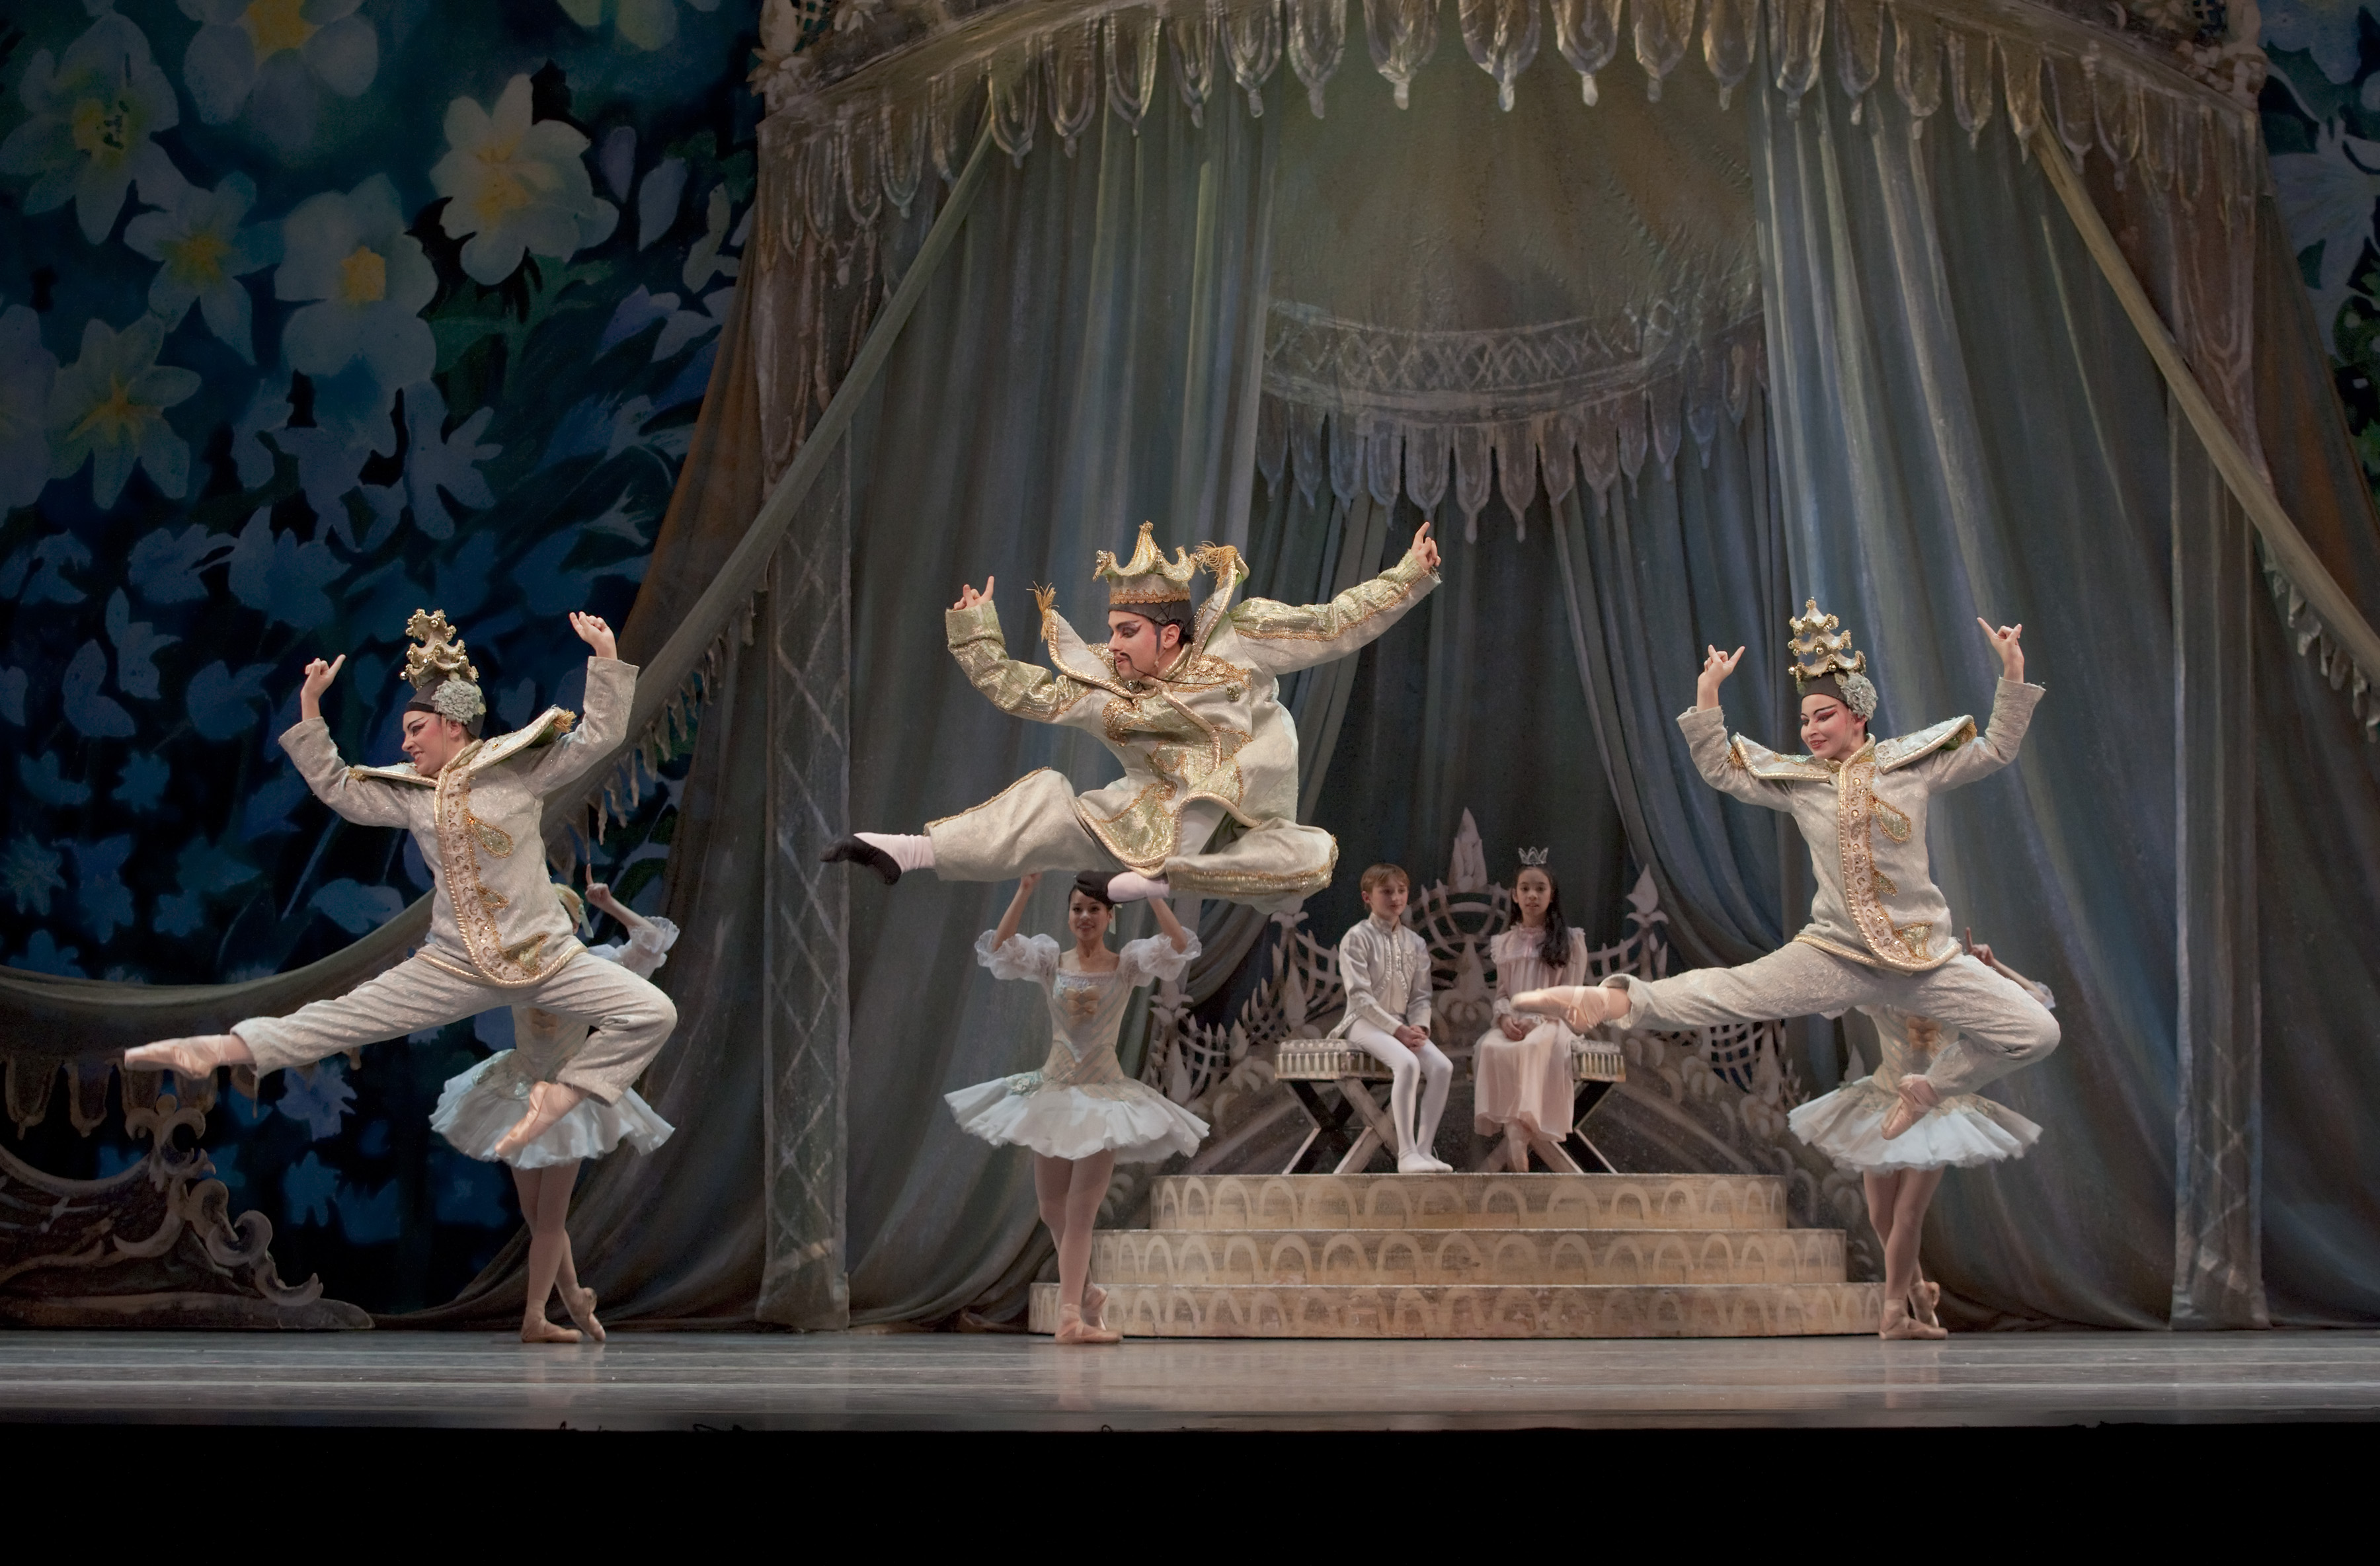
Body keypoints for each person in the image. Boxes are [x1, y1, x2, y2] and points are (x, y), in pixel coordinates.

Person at [1516, 600, 2059, 1331]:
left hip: (1925, 958)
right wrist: (1709, 696)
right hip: (1835, 950)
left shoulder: (1910, 763)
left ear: (1858, 714)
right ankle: (1609, 1000)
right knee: (1733, 992)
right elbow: (1720, 767)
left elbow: (1994, 747)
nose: (1810, 729)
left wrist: (2014, 673)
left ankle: (1930, 1090)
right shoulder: (1801, 780)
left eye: (1824, 715)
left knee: (2036, 1029)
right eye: (1805, 719)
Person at [126, 609, 676, 1169]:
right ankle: (219, 1048)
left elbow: (598, 736)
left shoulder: (515, 769)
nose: (407, 743)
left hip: (547, 955)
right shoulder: (414, 794)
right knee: (343, 1016)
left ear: (453, 725)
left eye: (416, 730)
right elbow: (341, 790)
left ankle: (563, 1096)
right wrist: (312, 706)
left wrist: (605, 658)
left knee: (653, 1012)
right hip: (454, 964)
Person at [823, 520, 1441, 911]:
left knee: (1312, 856)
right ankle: (907, 851)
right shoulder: (1109, 689)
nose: (1112, 644)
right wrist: (977, 633)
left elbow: (1335, 623)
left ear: (1170, 633)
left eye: (1127, 631)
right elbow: (1022, 690)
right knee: (1045, 809)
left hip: (1248, 818)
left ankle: (1162, 883)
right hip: (1149, 821)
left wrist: (1410, 574)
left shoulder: (1238, 639)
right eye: (1111, 629)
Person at [947, 872, 1207, 1345]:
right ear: (1069, 915)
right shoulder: (1051, 961)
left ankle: (1070, 1318)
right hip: (1055, 1091)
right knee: (1051, 1209)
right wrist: (1024, 891)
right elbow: (1001, 946)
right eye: (1077, 908)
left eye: (1094, 909)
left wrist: (1152, 895)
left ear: (1111, 915)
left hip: (1103, 1098)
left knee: (1081, 1210)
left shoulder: (1126, 964)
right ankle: (1087, 1293)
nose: (1085, 916)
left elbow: (1177, 944)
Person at [431, 879, 677, 1344]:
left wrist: (608, 904)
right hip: (520, 1090)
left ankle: (536, 1314)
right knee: (538, 1215)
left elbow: (652, 942)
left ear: (570, 924)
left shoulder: (594, 966)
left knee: (547, 1219)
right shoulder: (513, 968)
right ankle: (573, 1298)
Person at [1789, 933, 2052, 1340]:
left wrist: (1994, 967)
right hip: (1883, 1100)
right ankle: (1919, 1297)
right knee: (1882, 1216)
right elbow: (1828, 1002)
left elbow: (2035, 1002)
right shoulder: (1883, 993)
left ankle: (1893, 1315)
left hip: (1933, 1109)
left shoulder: (1956, 999)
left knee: (1907, 1213)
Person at [1329, 863, 1452, 1175]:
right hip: (1363, 1023)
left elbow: (1421, 995)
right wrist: (1397, 1030)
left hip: (1401, 1026)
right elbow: (1360, 997)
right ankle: (1406, 1153)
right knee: (1408, 1064)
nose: (1396, 897)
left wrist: (1419, 1027)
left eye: (1401, 891)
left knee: (1442, 1067)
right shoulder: (1356, 938)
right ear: (1367, 897)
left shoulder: (1416, 943)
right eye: (1387, 892)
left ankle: (1424, 1150)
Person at [1480, 851, 1589, 1173]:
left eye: (1540, 888)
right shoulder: (1506, 943)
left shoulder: (1571, 940)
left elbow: (1570, 995)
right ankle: (1514, 1128)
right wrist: (1504, 1018)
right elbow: (1503, 993)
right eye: (1525, 888)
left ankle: (1521, 1130)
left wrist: (1537, 1019)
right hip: (1515, 1022)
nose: (1532, 895)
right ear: (1514, 895)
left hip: (1553, 1022)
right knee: (1490, 1046)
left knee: (1532, 1047)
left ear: (1551, 894)